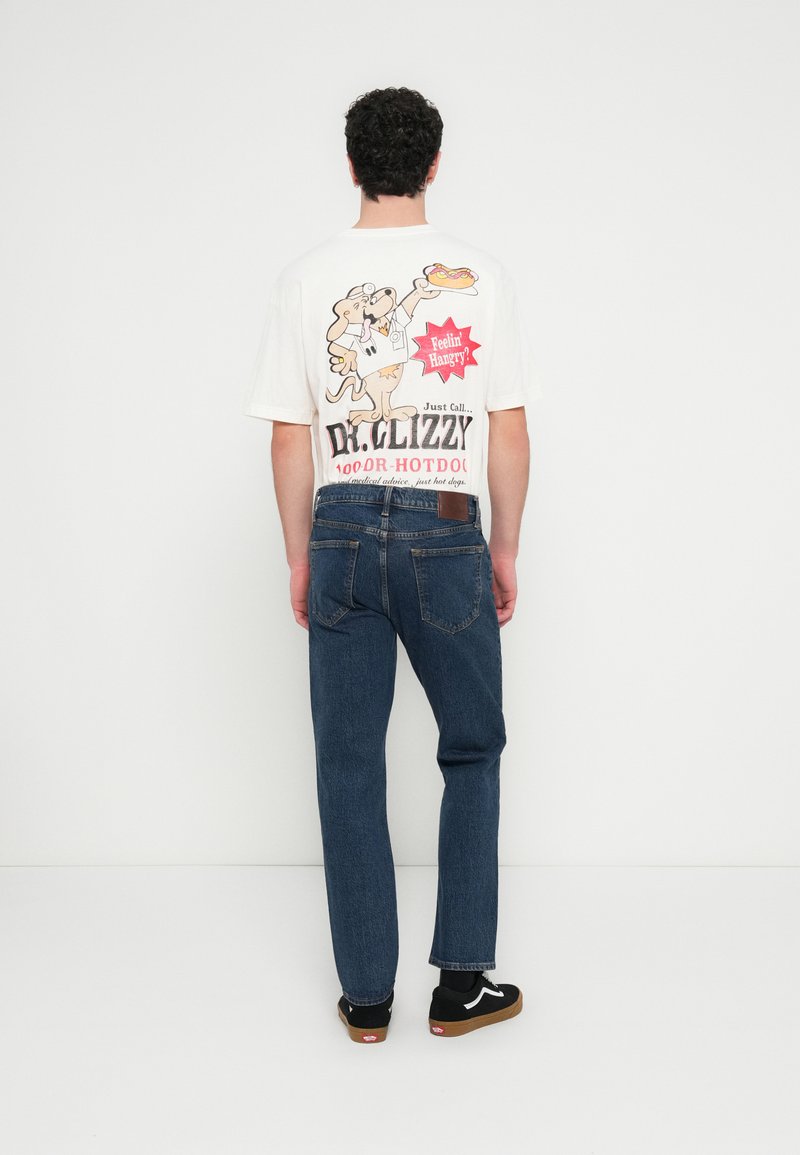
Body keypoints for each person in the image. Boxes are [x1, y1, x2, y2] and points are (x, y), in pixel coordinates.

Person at [243, 86, 541, 1043]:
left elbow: (289, 437)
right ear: (434, 164)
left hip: (337, 527)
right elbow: (507, 429)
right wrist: (502, 546)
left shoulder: (305, 277)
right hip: (444, 524)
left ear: (351, 164)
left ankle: (367, 996)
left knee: (347, 762)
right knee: (473, 748)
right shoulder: (481, 274)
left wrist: (301, 555)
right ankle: (461, 984)